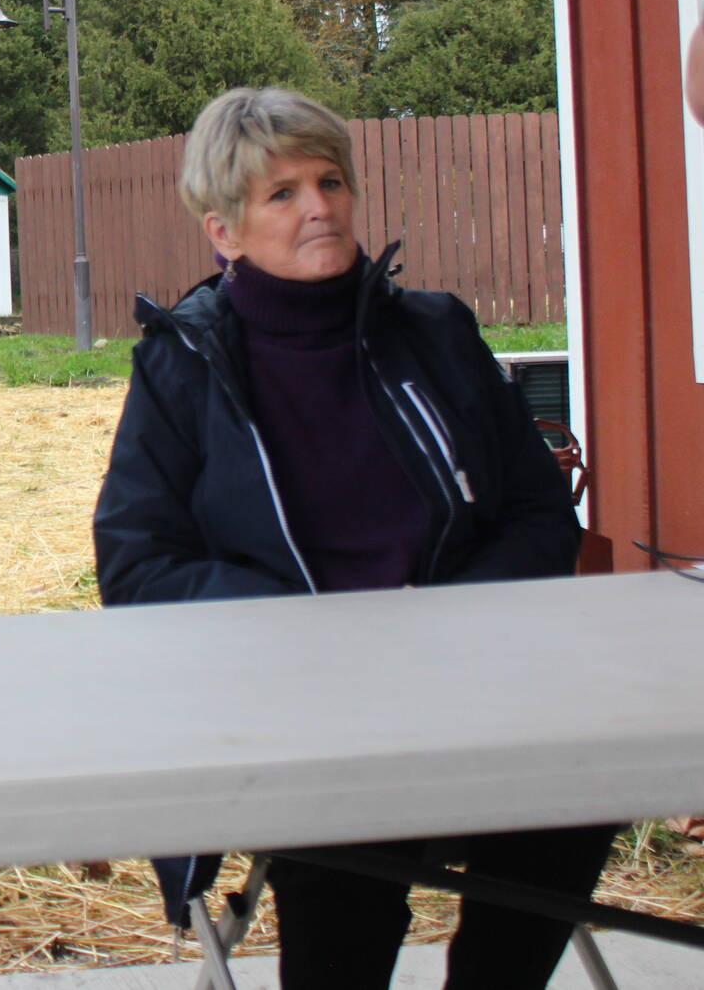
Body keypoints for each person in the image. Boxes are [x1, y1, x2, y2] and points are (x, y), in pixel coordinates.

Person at [92, 87, 611, 990]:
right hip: (294, 701)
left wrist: (444, 618)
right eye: (281, 193)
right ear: (224, 230)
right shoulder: (181, 365)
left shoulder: (437, 334)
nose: (319, 205)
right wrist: (313, 628)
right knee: (345, 858)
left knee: (580, 791)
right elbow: (138, 564)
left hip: (468, 678)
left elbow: (539, 515)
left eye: (330, 180)